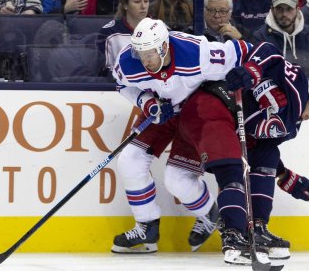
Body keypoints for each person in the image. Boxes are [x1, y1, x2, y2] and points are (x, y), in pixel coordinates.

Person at [109, 17, 295, 265]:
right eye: (140, 53)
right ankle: (147, 228)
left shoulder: (198, 52)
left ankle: (210, 216)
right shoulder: (128, 61)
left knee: (177, 180)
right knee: (129, 161)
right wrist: (146, 102)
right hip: (160, 110)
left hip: (195, 113)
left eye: (150, 54)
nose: (145, 60)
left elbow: (249, 52)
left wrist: (249, 72)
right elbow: (122, 85)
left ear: (164, 47)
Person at [225, 43, 309, 259]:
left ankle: (257, 227)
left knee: (269, 156)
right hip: (220, 113)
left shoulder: (291, 125)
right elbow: (269, 51)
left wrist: (284, 175)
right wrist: (252, 70)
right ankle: (231, 228)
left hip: (235, 136)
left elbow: (262, 148)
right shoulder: (298, 86)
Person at [253, 0, 309, 77]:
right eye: (279, 9)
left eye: (289, 9)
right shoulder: (260, 37)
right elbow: (257, 73)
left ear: (297, 10)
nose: (284, 14)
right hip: (274, 88)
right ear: (272, 10)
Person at [96, 0, 149, 76]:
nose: (143, 6)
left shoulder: (161, 30)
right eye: (137, 2)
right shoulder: (108, 33)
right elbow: (104, 72)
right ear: (125, 5)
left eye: (146, 1)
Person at [184, 0, 256, 44]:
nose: (217, 16)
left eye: (222, 11)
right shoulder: (191, 32)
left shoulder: (241, 31)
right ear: (204, 11)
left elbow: (256, 54)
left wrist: (240, 39)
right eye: (211, 10)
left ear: (230, 13)